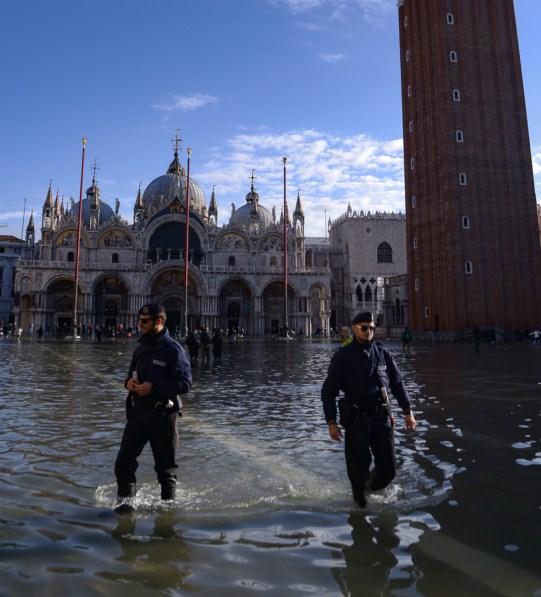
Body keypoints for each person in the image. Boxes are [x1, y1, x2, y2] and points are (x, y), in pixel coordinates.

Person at [321, 312, 416, 508]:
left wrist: (408, 411)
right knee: (358, 473)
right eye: (364, 328)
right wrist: (331, 422)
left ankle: (369, 489)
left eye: (372, 327)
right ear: (354, 329)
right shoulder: (342, 357)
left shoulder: (383, 354)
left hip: (381, 419)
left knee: (389, 471)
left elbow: (398, 384)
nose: (369, 331)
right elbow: (328, 391)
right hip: (356, 421)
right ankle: (360, 508)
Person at [114, 303, 192, 506]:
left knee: (166, 471)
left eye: (144, 321)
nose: (140, 324)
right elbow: (129, 375)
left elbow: (185, 384)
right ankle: (125, 509)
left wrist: (154, 388)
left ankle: (166, 520)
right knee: (123, 464)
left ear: (159, 321)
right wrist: (128, 384)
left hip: (163, 416)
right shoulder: (140, 349)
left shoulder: (173, 350)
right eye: (139, 320)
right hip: (138, 415)